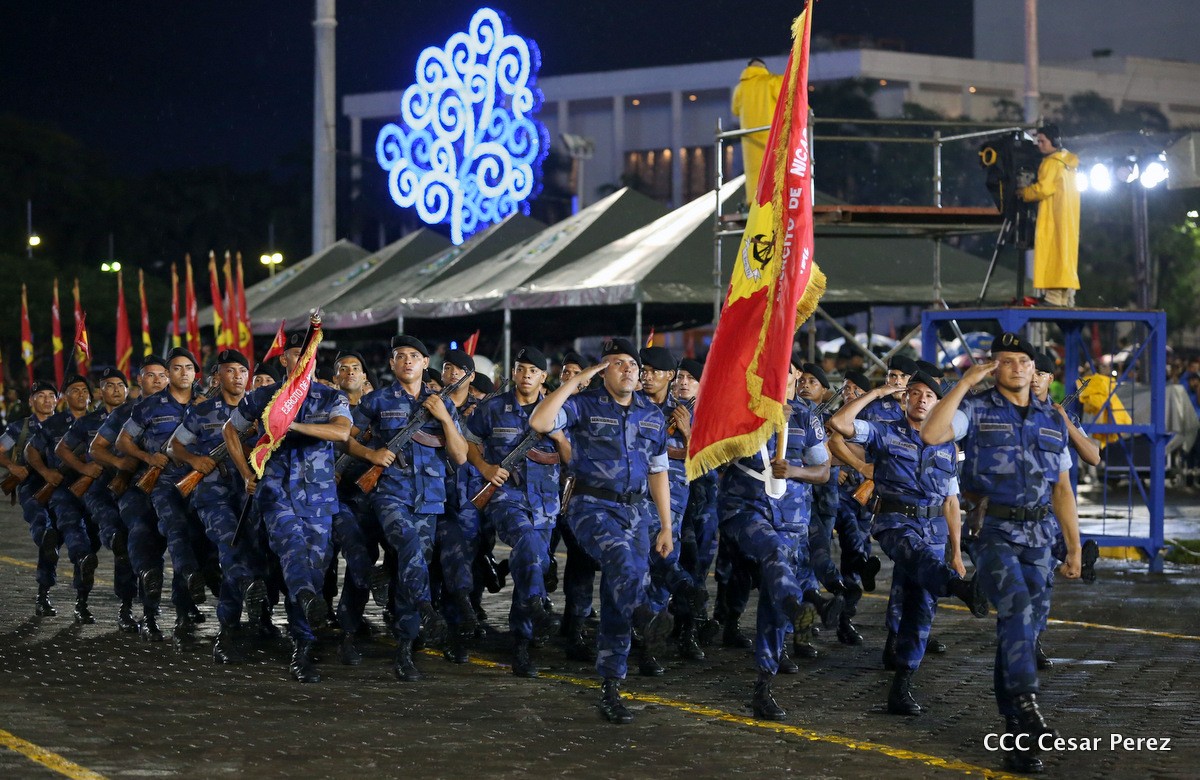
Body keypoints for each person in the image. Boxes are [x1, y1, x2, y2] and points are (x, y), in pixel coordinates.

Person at [921, 332, 1082, 774]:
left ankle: (1017, 736)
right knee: (1015, 609)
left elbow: (1062, 489)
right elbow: (932, 433)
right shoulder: (976, 409)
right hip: (993, 531)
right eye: (1006, 361)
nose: (1016, 367)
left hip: (1040, 537)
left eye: (1023, 361)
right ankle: (1027, 704)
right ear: (993, 367)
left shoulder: (1051, 419)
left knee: (1021, 632)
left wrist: (1073, 548)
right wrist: (963, 383)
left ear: (1034, 368)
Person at [529, 338, 673, 725]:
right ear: (603, 370)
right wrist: (576, 382)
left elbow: (659, 471)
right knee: (621, 562)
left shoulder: (652, 414)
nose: (627, 369)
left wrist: (666, 525)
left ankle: (611, 685)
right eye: (617, 363)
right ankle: (645, 614)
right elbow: (540, 422)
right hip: (591, 506)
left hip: (636, 513)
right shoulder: (583, 405)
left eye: (632, 364)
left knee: (617, 593)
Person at [829, 370, 988, 717]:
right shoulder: (885, 431)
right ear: (904, 399)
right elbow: (839, 424)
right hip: (896, 522)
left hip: (934, 529)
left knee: (921, 604)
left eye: (929, 396)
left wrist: (956, 553)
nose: (921, 400)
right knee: (913, 554)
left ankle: (901, 685)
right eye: (914, 393)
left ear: (939, 404)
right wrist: (877, 392)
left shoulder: (946, 444)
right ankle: (958, 588)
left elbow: (951, 502)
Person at [224, 329, 352, 683]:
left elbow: (341, 432)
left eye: (309, 354)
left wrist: (291, 424)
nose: (303, 360)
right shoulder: (264, 397)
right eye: (297, 353)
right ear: (284, 359)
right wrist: (245, 472)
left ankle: (303, 637)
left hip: (318, 499)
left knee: (312, 568)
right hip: (275, 491)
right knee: (292, 549)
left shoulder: (330, 396)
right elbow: (230, 430)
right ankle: (302, 636)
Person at [345, 335, 466, 683]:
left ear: (426, 363)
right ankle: (426, 607)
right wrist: (370, 454)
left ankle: (404, 647)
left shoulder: (442, 403)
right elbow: (344, 436)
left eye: (414, 355)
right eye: (400, 356)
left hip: (429, 499)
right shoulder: (377, 400)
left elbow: (460, 456)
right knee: (410, 547)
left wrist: (444, 418)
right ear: (392, 364)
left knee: (410, 566)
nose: (408, 361)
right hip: (390, 495)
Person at [716, 359, 831, 720]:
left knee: (773, 590)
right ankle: (797, 607)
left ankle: (764, 684)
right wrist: (757, 422)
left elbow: (823, 471)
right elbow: (716, 456)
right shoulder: (742, 411)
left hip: (791, 517)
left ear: (795, 377)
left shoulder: (806, 417)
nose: (784, 375)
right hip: (746, 510)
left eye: (790, 371)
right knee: (773, 555)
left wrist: (794, 470)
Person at [467, 346, 569, 677]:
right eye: (521, 369)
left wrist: (558, 437)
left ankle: (522, 638)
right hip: (506, 497)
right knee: (526, 542)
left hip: (545, 503)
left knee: (532, 562)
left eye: (533, 371)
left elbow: (574, 457)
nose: (526, 375)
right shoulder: (493, 407)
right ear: (513, 372)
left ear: (543, 377)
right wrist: (484, 467)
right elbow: (468, 441)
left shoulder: (559, 410)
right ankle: (534, 615)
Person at [170, 349, 269, 664]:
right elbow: (174, 445)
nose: (237, 377)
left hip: (250, 493)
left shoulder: (260, 408)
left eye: (242, 371)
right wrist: (194, 460)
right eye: (230, 370)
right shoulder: (202, 411)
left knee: (254, 552)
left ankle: (258, 619)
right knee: (230, 546)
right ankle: (228, 630)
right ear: (218, 376)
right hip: (214, 494)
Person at [117, 348, 211, 642]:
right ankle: (150, 616)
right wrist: (147, 457)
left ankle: (183, 614)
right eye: (177, 368)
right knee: (167, 537)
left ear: (196, 374)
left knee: (195, 542)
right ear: (169, 373)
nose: (184, 373)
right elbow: (123, 440)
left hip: (199, 485)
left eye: (189, 368)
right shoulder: (149, 406)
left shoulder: (206, 405)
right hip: (162, 485)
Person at [1030, 350, 1102, 667]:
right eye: (1031, 371)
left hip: (1048, 509)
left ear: (1050, 378)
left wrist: (1066, 423)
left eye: (1041, 373)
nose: (1034, 379)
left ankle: (1032, 642)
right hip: (1016, 506)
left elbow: (1093, 456)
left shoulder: (1061, 416)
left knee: (1040, 581)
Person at [90, 359, 170, 640]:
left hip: (171, 489)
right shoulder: (126, 412)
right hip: (135, 490)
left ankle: (174, 613)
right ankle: (131, 609)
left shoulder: (182, 410)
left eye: (162, 375)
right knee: (138, 540)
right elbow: (96, 448)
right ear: (139, 380)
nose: (157, 380)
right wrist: (120, 463)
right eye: (151, 375)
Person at [639, 346, 706, 671]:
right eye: (644, 370)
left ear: (668, 376)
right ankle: (681, 584)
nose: (646, 376)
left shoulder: (682, 413)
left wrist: (688, 432)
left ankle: (647, 645)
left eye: (654, 371)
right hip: (631, 497)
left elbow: (706, 462)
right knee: (638, 570)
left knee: (658, 575)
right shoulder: (630, 406)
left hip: (672, 502)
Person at [51, 370, 135, 629]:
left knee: (124, 547)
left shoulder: (137, 416)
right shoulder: (88, 421)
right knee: (92, 549)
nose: (116, 390)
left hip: (127, 488)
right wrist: (84, 468)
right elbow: (61, 448)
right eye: (110, 385)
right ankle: (82, 602)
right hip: (96, 490)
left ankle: (126, 608)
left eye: (121, 385)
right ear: (100, 392)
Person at [0, 381, 60, 615]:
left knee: (55, 541)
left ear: (57, 400)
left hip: (60, 486)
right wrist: (12, 467)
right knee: (43, 527)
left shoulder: (66, 425)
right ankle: (43, 595)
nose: (47, 400)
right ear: (31, 401)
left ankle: (52, 596)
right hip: (31, 485)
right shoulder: (21, 427)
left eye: (51, 395)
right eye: (41, 395)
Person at [1020, 123, 1081, 307]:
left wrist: (1024, 192)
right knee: (1065, 256)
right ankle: (1065, 298)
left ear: (1054, 141)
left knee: (1052, 255)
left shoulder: (1051, 162)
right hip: (1069, 217)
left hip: (1053, 216)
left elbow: (1043, 189)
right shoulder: (1069, 163)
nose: (1039, 145)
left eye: (1042, 141)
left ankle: (1053, 297)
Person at [731, 57, 784, 201]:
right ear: (764, 68)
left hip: (750, 144)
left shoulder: (740, 89)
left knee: (756, 179)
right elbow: (792, 100)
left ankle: (755, 202)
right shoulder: (773, 81)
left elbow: (735, 110)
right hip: (774, 139)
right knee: (776, 177)